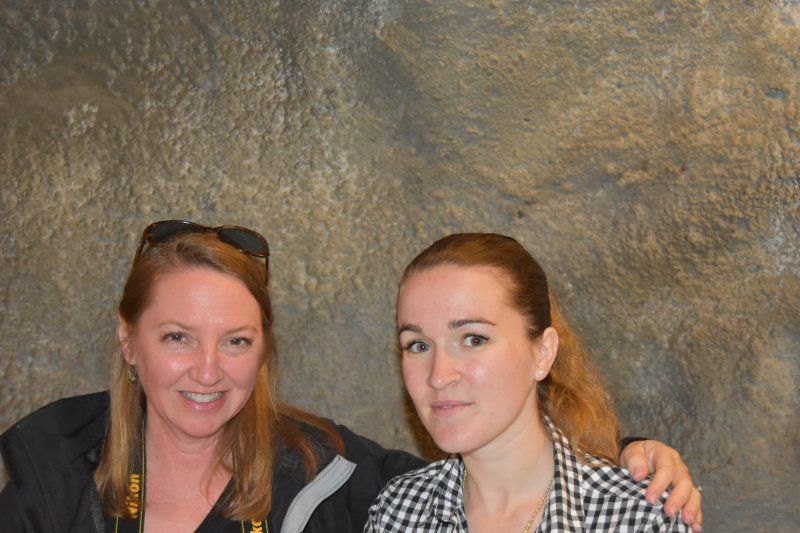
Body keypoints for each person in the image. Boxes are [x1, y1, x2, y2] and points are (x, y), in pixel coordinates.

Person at [0, 221, 700, 532]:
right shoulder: (50, 470)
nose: (208, 370)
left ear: (264, 350)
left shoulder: (328, 472)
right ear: (129, 340)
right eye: (177, 336)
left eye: (237, 340)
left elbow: (503, 452)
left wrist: (635, 455)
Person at [366, 233, 703, 532]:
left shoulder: (638, 517)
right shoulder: (398, 512)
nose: (439, 375)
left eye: (473, 339)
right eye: (418, 345)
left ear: (542, 353)